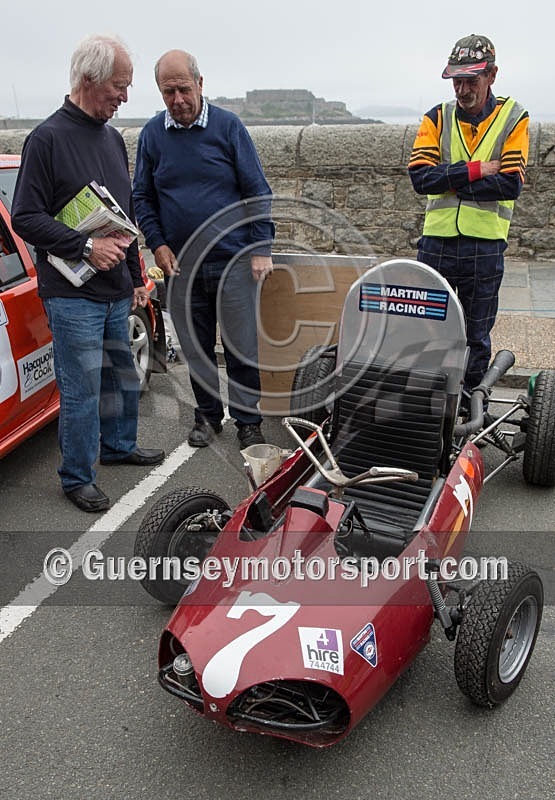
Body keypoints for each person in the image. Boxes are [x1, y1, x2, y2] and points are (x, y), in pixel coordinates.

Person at [11, 34, 165, 513]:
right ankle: (77, 477)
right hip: (71, 293)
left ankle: (119, 447)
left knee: (120, 375)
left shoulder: (113, 138)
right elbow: (24, 218)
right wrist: (84, 244)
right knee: (80, 389)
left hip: (117, 287)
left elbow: (125, 217)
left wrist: (138, 275)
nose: (124, 96)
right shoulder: (47, 139)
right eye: (119, 86)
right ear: (89, 79)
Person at [133, 49, 274, 449]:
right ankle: (209, 417)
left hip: (233, 261)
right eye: (167, 92)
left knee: (241, 347)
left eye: (182, 89)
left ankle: (248, 421)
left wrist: (261, 247)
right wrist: (157, 243)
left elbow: (257, 191)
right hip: (180, 267)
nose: (177, 100)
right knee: (195, 349)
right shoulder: (152, 136)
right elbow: (142, 196)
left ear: (200, 83)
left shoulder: (229, 128)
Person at [408, 34, 529, 398]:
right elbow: (419, 178)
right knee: (427, 328)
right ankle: (427, 405)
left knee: (476, 336)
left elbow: (510, 184)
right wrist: (475, 171)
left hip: (485, 245)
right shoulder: (437, 117)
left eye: (471, 80)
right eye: (456, 81)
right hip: (436, 243)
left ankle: (469, 409)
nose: (462, 89)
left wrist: (449, 180)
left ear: (491, 75)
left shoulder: (514, 117)